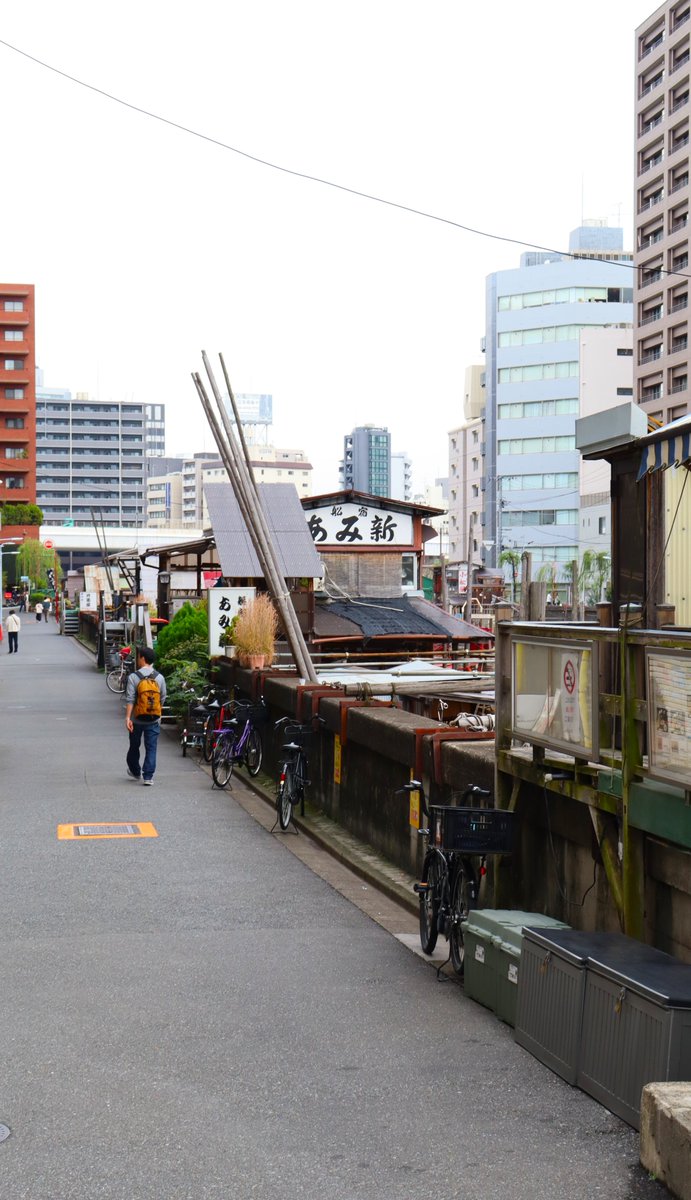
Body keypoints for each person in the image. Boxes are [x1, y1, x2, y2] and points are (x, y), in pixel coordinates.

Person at [124, 646, 167, 786]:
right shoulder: (159, 678)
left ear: (142, 658)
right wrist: (156, 712)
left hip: (137, 719)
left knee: (134, 746)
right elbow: (163, 698)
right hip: (153, 719)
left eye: (139, 657)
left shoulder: (133, 677)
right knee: (151, 747)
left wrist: (128, 718)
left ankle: (135, 771)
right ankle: (148, 776)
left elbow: (130, 699)